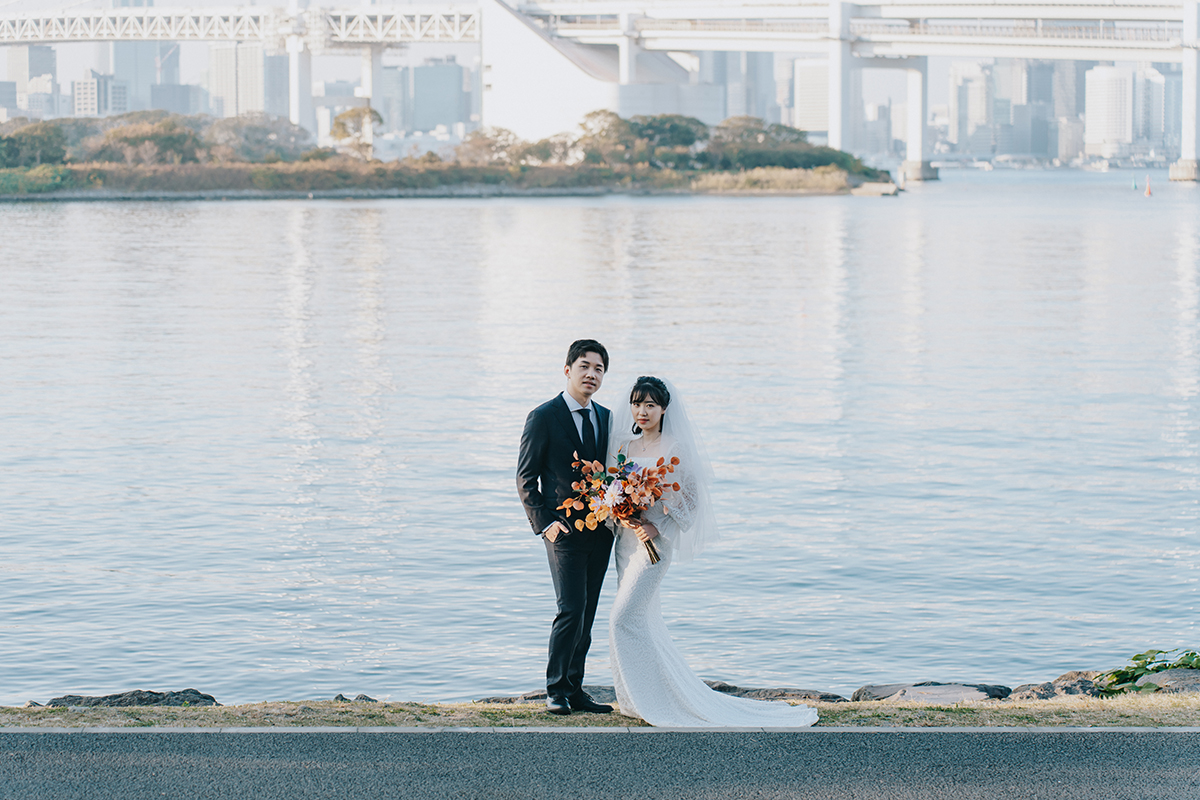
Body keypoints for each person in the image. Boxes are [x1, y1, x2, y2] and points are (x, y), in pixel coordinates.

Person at [606, 376, 819, 727]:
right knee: (642, 620)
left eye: (650, 405)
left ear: (663, 409)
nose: (642, 411)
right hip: (627, 544)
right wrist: (622, 511)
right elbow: (616, 490)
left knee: (622, 618)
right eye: (637, 403)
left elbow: (691, 500)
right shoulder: (626, 448)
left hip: (654, 546)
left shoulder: (674, 447)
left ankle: (656, 698)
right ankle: (634, 698)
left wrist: (658, 526)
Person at [516, 339, 615, 716]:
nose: (591, 374)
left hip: (601, 531)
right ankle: (555, 689)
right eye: (585, 367)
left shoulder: (606, 417)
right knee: (570, 609)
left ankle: (576, 689)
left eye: (599, 369)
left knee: (587, 613)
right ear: (568, 370)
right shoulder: (543, 416)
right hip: (563, 532)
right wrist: (545, 525)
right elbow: (525, 479)